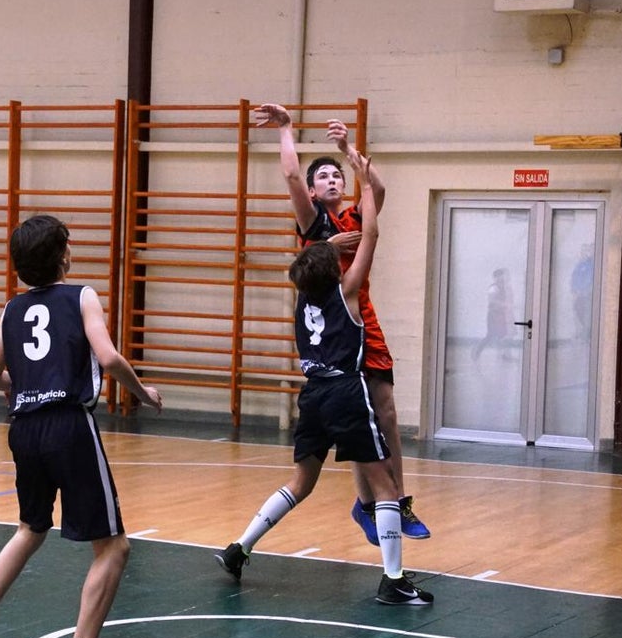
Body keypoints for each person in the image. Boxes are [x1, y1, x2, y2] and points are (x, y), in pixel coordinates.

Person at [0, 215, 162, 638]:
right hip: (68, 426)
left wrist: (26, 386)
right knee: (114, 547)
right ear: (63, 255)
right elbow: (107, 359)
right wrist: (143, 393)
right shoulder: (81, 295)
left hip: (24, 429)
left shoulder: (11, 309)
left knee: (31, 527)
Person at [215, 150, 432, 606]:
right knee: (386, 485)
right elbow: (370, 232)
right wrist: (362, 172)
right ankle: (393, 579)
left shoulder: (303, 301)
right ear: (335, 267)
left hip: (311, 395)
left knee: (301, 482)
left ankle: (239, 547)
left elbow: (329, 244)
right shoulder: (348, 291)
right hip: (345, 392)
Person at [255, 103, 429, 546]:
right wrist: (286, 130)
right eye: (324, 177)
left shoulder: (355, 217)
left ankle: (398, 501)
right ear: (313, 192)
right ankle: (369, 502)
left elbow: (378, 188)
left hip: (362, 317)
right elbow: (292, 176)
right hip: (332, 328)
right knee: (357, 413)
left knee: (384, 411)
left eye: (337, 175)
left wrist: (349, 148)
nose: (332, 180)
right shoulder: (314, 224)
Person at [472, 268, 514, 361]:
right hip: (493, 315)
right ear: (496, 277)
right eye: (500, 276)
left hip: (501, 315)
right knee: (490, 335)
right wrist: (504, 304)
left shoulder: (505, 288)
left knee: (503, 335)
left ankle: (504, 355)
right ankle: (477, 352)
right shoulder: (493, 288)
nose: (502, 278)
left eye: (503, 276)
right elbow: (492, 301)